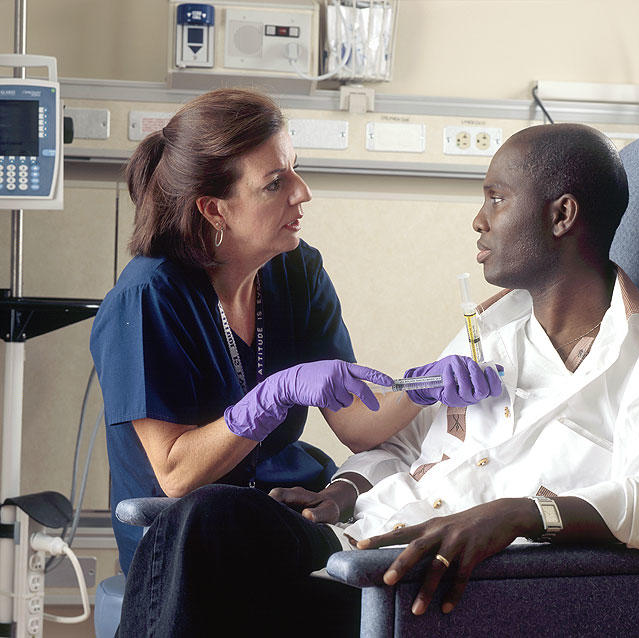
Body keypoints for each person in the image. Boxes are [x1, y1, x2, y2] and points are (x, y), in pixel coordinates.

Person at [116, 123, 639, 636]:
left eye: (495, 198)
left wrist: (519, 514)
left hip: (443, 588)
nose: (477, 221)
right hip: (359, 540)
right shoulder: (491, 332)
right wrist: (347, 488)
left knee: (214, 564)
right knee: (209, 518)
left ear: (562, 215)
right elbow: (403, 449)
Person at [89, 87, 502, 589]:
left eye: (296, 169)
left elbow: (358, 425)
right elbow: (176, 473)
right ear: (214, 210)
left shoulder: (296, 271)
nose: (302, 192)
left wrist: (423, 385)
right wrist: (272, 395)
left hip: (291, 516)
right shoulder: (150, 296)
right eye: (274, 183)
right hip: (189, 544)